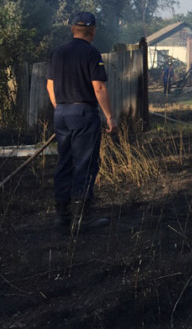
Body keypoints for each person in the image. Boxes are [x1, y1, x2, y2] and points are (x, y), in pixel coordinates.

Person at [46, 12, 117, 234]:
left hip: (61, 113)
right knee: (85, 163)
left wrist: (61, 108)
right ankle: (82, 219)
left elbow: (50, 86)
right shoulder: (91, 53)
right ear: (93, 31)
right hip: (83, 113)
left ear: (71, 29)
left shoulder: (57, 53)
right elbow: (99, 87)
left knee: (64, 162)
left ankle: (61, 217)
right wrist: (109, 116)